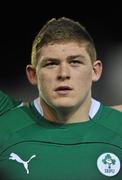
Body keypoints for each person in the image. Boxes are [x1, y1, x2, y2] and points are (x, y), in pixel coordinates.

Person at [0, 17, 122, 180]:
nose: (63, 74)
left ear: (95, 71)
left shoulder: (117, 127)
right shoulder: (6, 126)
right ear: (32, 74)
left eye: (75, 62)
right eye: (51, 64)